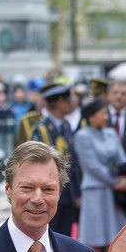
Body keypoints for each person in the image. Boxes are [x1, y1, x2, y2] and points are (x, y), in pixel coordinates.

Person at [74, 98, 126, 252]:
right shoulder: (82, 136)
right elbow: (92, 167)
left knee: (113, 240)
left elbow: (122, 158)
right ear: (91, 117)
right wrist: (115, 182)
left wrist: (124, 178)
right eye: (102, 113)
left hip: (113, 195)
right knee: (93, 242)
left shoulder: (110, 133)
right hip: (95, 193)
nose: (106, 117)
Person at [31, 83, 81, 237]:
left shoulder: (66, 126)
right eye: (67, 101)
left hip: (68, 193)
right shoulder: (42, 129)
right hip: (49, 192)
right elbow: (37, 163)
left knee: (65, 236)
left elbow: (74, 163)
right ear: (58, 103)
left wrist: (77, 192)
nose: (70, 104)